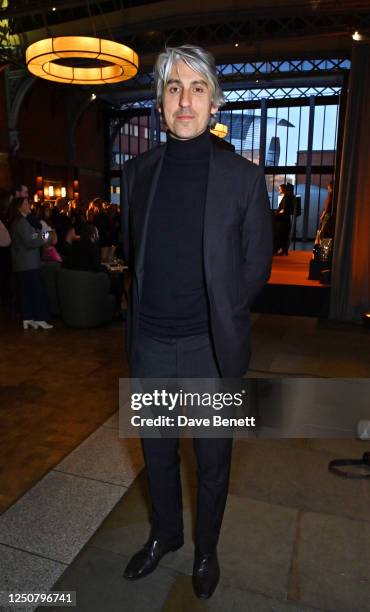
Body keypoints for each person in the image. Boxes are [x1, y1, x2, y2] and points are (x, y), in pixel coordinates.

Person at [121, 45, 273, 599]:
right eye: (172, 88)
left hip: (210, 352)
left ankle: (206, 549)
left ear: (214, 104)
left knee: (211, 463)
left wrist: (220, 315)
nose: (184, 100)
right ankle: (166, 535)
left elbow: (256, 266)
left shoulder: (242, 178)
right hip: (151, 347)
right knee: (157, 456)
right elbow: (133, 253)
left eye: (197, 88)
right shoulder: (138, 174)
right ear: (160, 103)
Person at [9, 196, 53, 330]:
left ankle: (28, 318)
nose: (29, 205)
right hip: (28, 263)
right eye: (26, 203)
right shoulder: (21, 222)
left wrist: (40, 234)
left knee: (28, 292)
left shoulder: (21, 221)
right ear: (19, 207)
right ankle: (39, 318)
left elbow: (32, 236)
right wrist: (46, 235)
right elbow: (32, 241)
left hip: (25, 263)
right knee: (37, 291)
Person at [273, 182, 294, 255]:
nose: (279, 190)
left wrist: (276, 214)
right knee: (283, 235)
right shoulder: (286, 197)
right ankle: (283, 250)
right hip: (285, 219)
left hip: (283, 220)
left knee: (281, 234)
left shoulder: (286, 198)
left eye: (279, 189)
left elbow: (284, 209)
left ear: (283, 189)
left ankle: (280, 249)